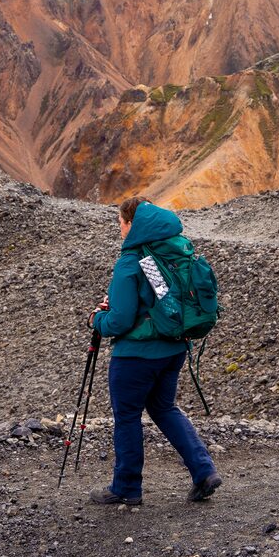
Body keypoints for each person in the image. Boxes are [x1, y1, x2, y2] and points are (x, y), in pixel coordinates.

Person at [88, 197, 221, 505]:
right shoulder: (175, 249)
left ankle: (126, 487)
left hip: (136, 356)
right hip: (174, 348)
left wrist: (97, 319)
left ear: (132, 224)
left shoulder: (132, 260)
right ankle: (204, 471)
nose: (119, 228)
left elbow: (120, 320)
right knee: (164, 408)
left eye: (121, 222)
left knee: (128, 417)